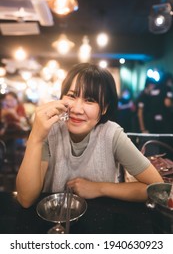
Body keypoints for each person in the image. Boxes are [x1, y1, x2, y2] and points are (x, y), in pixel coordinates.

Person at [16, 63, 163, 208]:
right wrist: (35, 137)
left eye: (90, 100)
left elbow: (157, 188)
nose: (77, 109)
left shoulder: (111, 134)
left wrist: (99, 188)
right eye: (72, 96)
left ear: (104, 107)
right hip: (54, 219)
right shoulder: (50, 130)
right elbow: (26, 199)